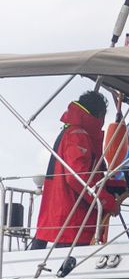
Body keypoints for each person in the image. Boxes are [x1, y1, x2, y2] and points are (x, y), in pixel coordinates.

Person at [33, 91, 123, 250]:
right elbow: (78, 179)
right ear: (99, 116)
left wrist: (121, 186)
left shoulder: (71, 132)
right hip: (73, 224)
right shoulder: (78, 136)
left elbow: (88, 176)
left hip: (59, 221)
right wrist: (108, 202)